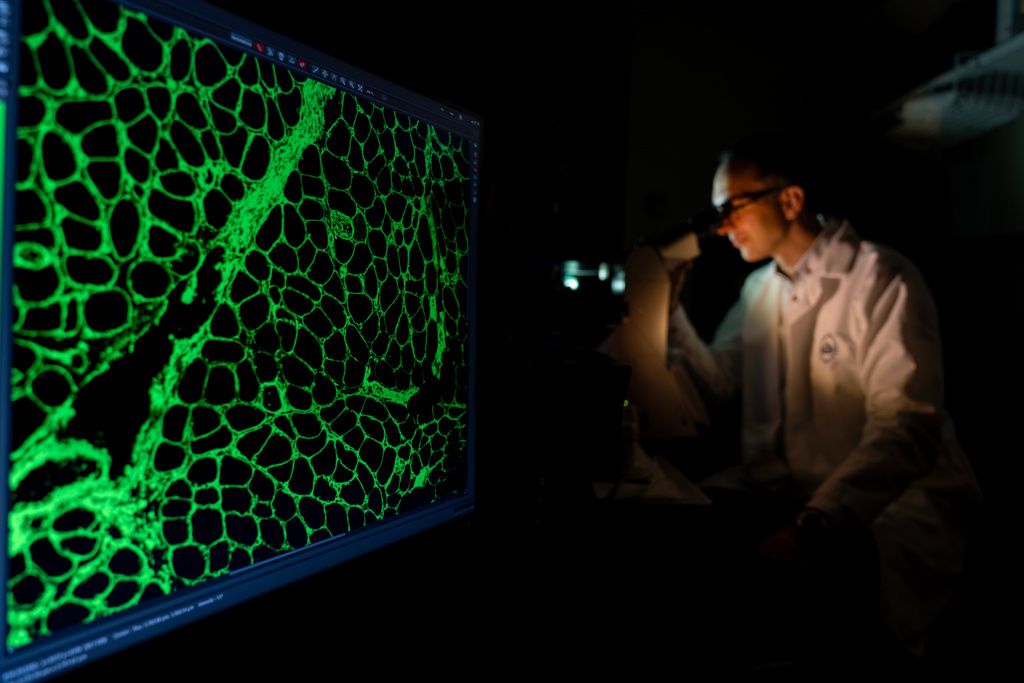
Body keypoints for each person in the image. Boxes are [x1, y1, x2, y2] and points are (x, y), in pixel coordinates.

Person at [667, 134, 982, 659]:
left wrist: (821, 521)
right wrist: (668, 304)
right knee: (683, 534)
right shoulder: (761, 290)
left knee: (839, 617)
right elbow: (717, 386)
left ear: (789, 201)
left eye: (733, 207)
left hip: (892, 498)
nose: (722, 225)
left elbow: (906, 428)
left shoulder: (882, 278)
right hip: (793, 487)